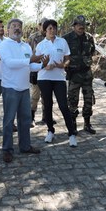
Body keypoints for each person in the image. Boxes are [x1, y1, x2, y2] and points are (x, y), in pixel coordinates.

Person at [0, 18, 48, 163]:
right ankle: (7, 149)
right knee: (8, 120)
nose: (16, 28)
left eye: (19, 26)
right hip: (10, 88)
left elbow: (30, 66)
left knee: (25, 120)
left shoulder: (26, 46)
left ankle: (25, 146)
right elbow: (9, 63)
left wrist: (42, 66)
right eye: (13, 26)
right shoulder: (4, 45)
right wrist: (30, 60)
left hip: (24, 88)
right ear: (8, 30)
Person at [36, 19, 78, 147]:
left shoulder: (62, 42)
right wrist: (44, 66)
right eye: (49, 28)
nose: (52, 30)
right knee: (47, 105)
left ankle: (71, 134)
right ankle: (50, 131)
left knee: (64, 106)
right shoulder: (40, 45)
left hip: (59, 78)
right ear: (45, 30)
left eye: (54, 28)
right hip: (44, 78)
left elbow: (67, 59)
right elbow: (36, 62)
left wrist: (62, 65)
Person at [63, 15, 96, 134]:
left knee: (88, 100)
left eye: (83, 25)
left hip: (87, 74)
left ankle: (87, 123)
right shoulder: (66, 38)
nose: (81, 27)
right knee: (72, 100)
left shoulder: (89, 38)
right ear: (74, 26)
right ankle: (73, 124)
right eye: (78, 25)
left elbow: (92, 52)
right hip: (73, 74)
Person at [27, 18, 47, 127]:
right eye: (42, 25)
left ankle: (46, 117)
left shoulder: (52, 36)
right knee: (35, 95)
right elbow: (29, 54)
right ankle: (31, 118)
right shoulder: (33, 37)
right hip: (36, 69)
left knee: (47, 95)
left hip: (48, 69)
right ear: (39, 25)